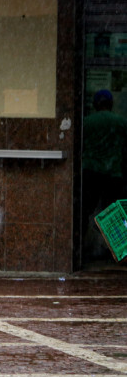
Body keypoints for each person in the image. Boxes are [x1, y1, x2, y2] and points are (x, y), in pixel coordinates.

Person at [81, 89, 127, 260]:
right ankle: (117, 252)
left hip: (91, 172)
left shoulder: (86, 122)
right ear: (111, 103)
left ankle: (80, 249)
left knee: (85, 211)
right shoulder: (121, 122)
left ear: (95, 104)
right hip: (112, 174)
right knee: (113, 215)